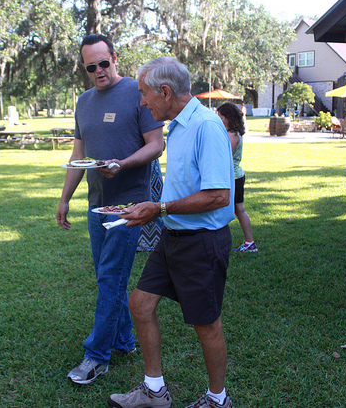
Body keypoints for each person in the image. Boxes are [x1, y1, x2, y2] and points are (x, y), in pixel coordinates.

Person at [109, 57, 236, 408]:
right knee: (140, 303)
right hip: (174, 236)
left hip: (202, 242)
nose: (142, 102)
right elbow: (184, 184)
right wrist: (152, 206)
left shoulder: (206, 126)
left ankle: (218, 400)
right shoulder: (178, 126)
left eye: (144, 93)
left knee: (206, 324)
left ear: (165, 92)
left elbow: (218, 196)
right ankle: (154, 391)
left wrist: (160, 209)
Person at [56, 34, 164, 385]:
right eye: (92, 67)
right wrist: (65, 198)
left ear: (115, 58)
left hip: (129, 204)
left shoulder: (136, 92)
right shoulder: (84, 101)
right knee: (108, 277)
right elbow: (78, 155)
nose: (99, 70)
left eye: (104, 63)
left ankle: (96, 355)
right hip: (96, 204)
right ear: (85, 68)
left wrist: (123, 164)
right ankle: (124, 339)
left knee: (110, 278)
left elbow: (156, 145)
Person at [216, 102, 258, 253]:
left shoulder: (232, 135)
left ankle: (247, 242)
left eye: (220, 117)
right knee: (239, 209)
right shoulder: (234, 133)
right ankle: (249, 242)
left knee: (233, 209)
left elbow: (226, 158)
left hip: (232, 177)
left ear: (229, 118)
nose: (218, 119)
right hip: (236, 176)